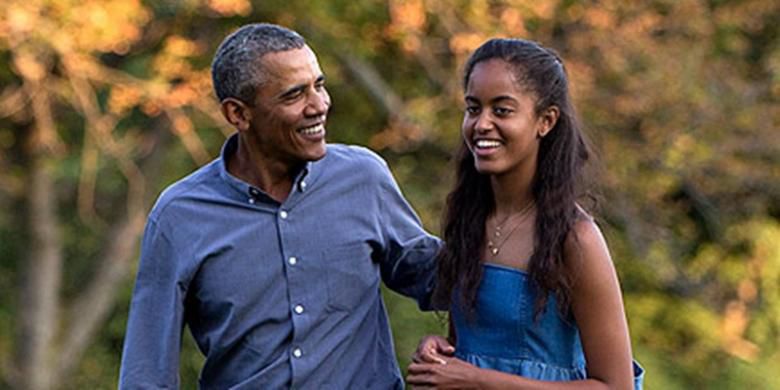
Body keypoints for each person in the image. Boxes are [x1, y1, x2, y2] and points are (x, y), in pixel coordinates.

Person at [119, 23, 441, 389]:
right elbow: (146, 372)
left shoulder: (363, 178)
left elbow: (437, 277)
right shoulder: (179, 215)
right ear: (238, 114)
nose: (319, 105)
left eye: (319, 85)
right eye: (294, 95)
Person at [406, 38, 644, 389]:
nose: (482, 124)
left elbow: (614, 386)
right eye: (473, 109)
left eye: (501, 110)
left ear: (545, 121)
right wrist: (441, 354)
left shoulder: (575, 239)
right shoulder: (468, 220)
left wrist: (479, 380)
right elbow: (474, 347)